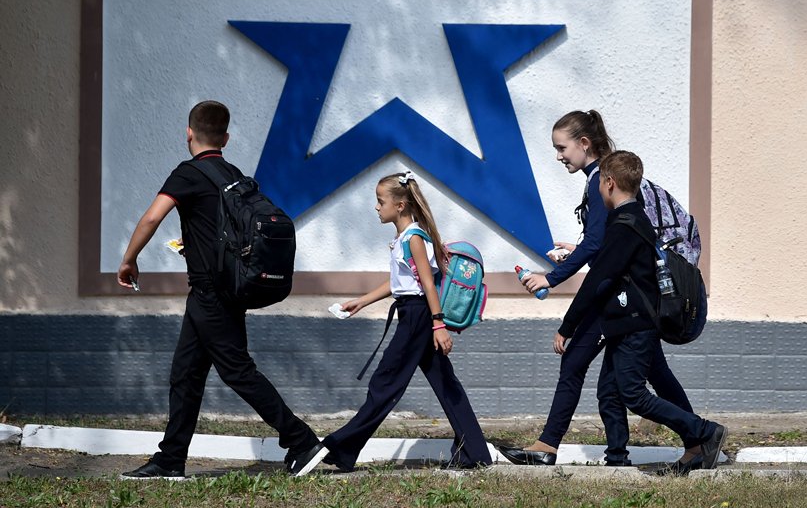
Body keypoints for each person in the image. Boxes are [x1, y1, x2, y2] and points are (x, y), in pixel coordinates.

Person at [117, 100, 324, 479]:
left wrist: (129, 259)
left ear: (188, 133)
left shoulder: (188, 173)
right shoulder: (232, 174)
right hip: (221, 289)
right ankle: (171, 458)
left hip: (211, 292)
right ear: (225, 138)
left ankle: (301, 440)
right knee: (186, 373)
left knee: (238, 371)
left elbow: (151, 216)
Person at [498, 110, 697, 468]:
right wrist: (580, 251)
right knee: (646, 376)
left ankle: (698, 437)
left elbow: (596, 247)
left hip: (618, 298)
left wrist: (551, 278)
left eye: (562, 148)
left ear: (584, 143)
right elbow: (606, 244)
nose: (559, 156)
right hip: (627, 297)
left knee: (581, 366)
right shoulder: (601, 178)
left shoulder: (601, 179)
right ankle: (672, 445)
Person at [294, 171, 492, 475]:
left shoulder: (414, 237)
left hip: (417, 317)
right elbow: (400, 282)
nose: (376, 207)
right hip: (414, 311)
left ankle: (341, 449)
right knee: (445, 383)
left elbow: (427, 284)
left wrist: (438, 325)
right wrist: (362, 301)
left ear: (399, 205)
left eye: (380, 201)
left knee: (385, 384)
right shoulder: (405, 238)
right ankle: (475, 452)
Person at [554, 150, 725, 475]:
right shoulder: (632, 220)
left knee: (633, 393)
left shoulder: (625, 224)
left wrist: (567, 325)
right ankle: (618, 458)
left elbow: (598, 278)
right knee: (610, 391)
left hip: (635, 324)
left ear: (609, 184)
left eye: (601, 183)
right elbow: (613, 265)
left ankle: (704, 431)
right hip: (626, 321)